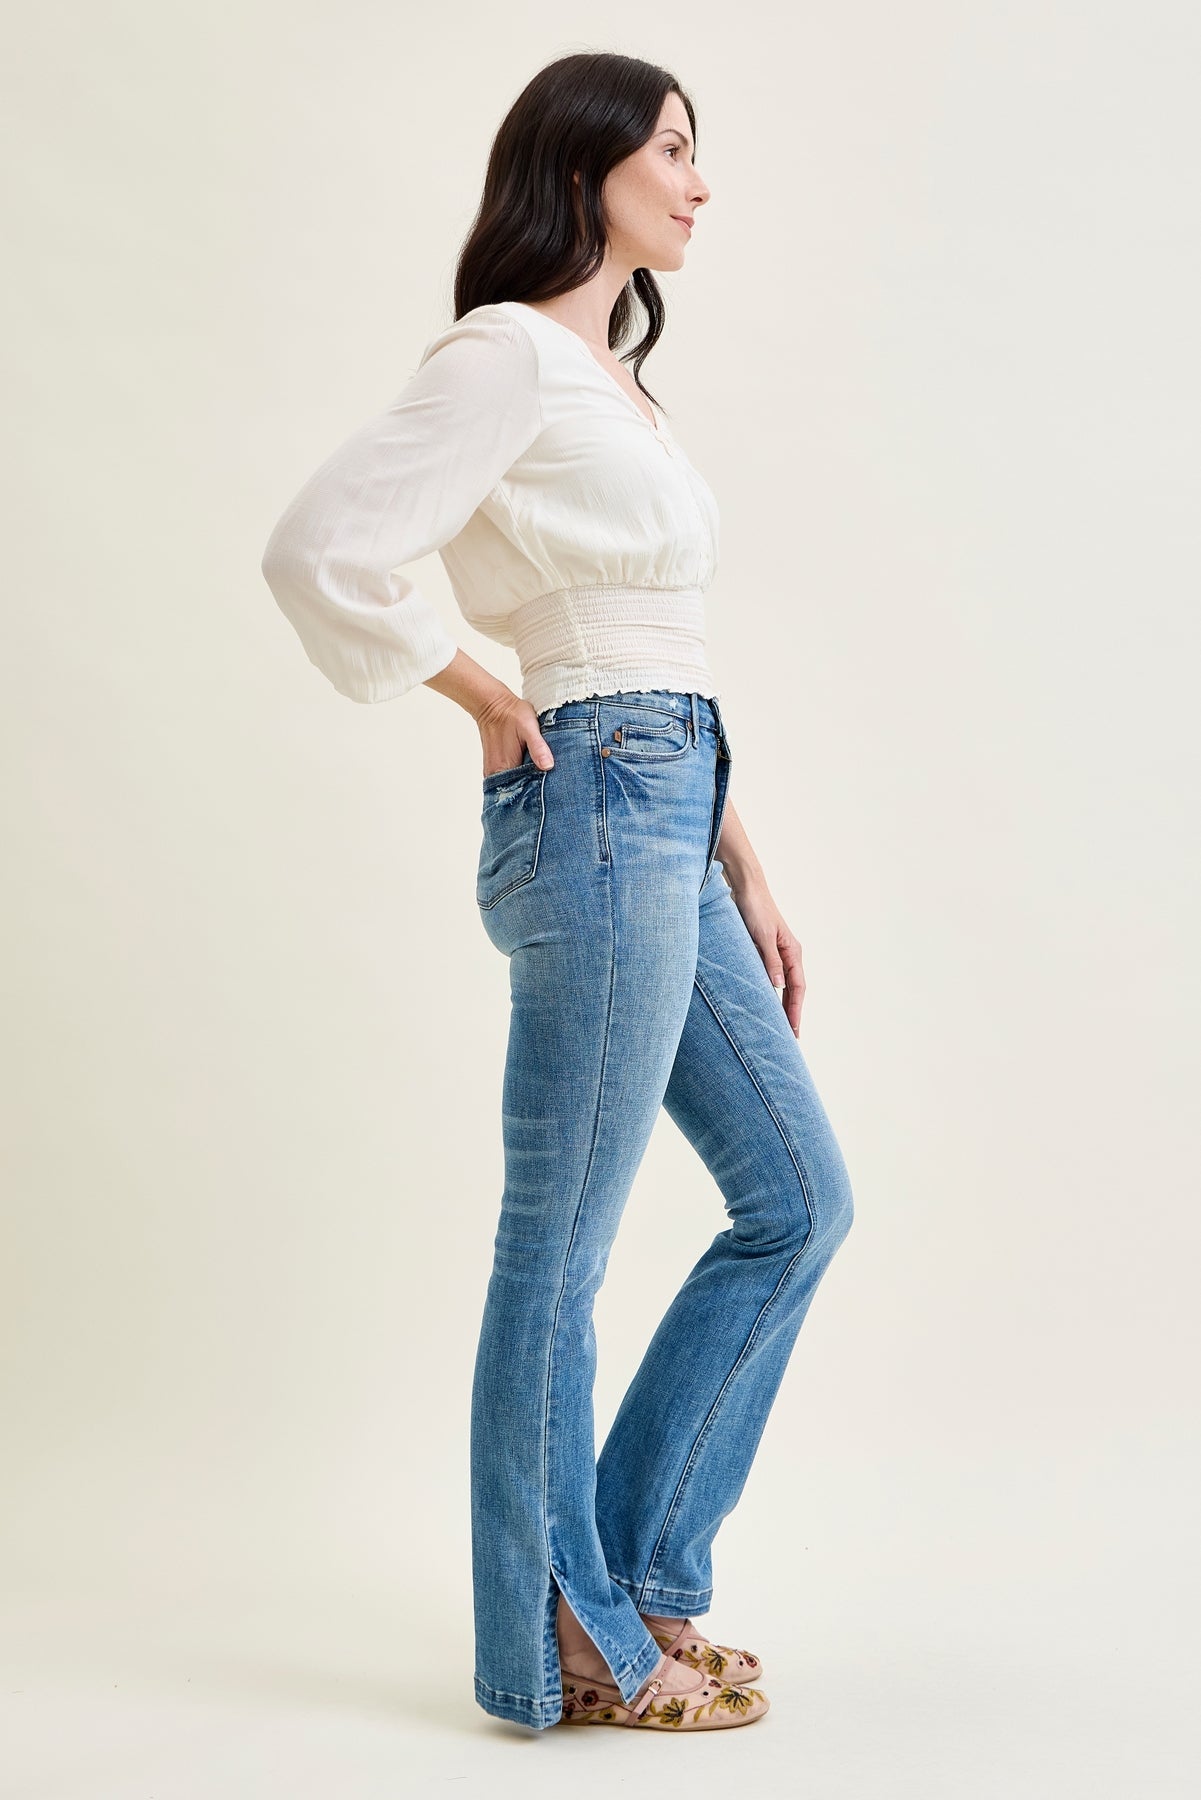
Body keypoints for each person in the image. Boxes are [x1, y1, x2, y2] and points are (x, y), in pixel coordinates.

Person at [260, 50, 854, 1735]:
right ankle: (569, 1637)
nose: (698, 181)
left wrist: (741, 853)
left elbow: (658, 644)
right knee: (562, 1244)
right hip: (591, 800)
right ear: (584, 164)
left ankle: (641, 1577)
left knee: (798, 1199)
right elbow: (317, 546)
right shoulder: (506, 353)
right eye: (671, 148)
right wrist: (473, 687)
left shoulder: (612, 383)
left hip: (669, 803)